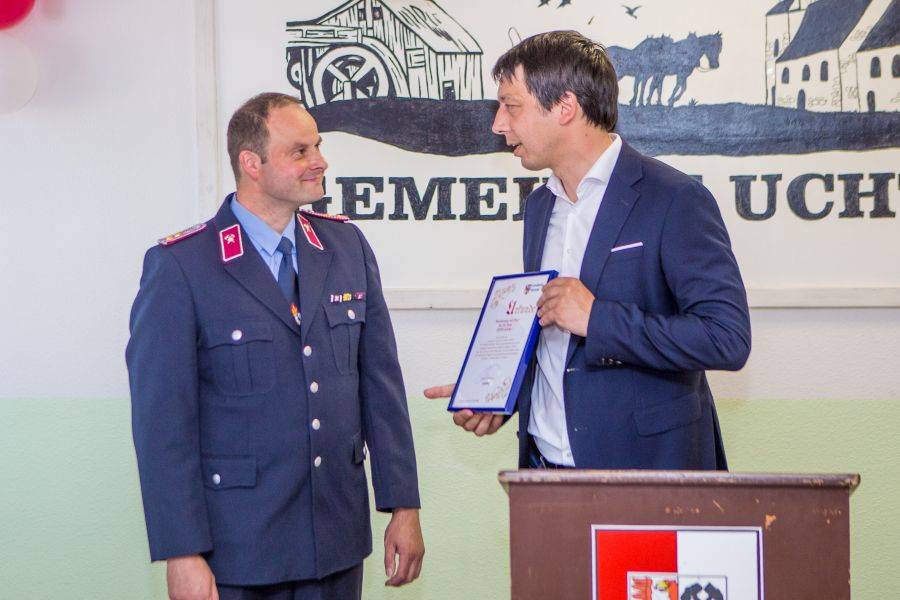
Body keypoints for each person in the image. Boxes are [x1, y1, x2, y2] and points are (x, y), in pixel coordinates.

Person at [127, 92, 423, 600]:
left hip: (336, 542)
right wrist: (182, 552)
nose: (319, 161)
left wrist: (404, 506)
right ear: (252, 163)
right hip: (238, 551)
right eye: (300, 151)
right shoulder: (182, 266)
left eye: (318, 146)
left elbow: (382, 388)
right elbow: (163, 427)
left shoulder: (346, 247)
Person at [426, 31, 751, 470]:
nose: (498, 125)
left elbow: (726, 338)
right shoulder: (540, 205)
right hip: (542, 469)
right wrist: (502, 394)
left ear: (565, 106)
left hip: (644, 474)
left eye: (511, 106)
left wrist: (597, 318)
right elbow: (556, 342)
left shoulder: (675, 199)